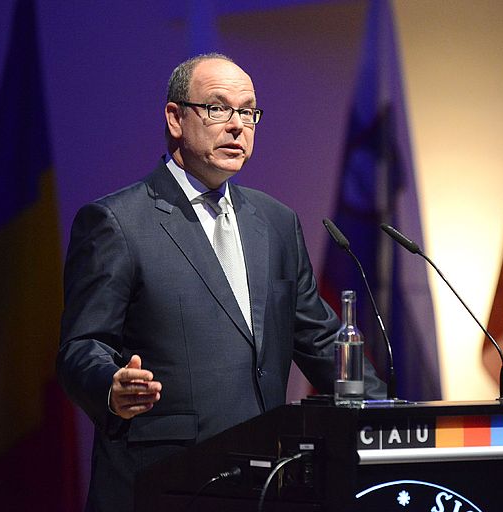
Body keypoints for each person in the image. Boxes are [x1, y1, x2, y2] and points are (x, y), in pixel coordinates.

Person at [56, 53, 386, 511]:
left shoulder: (275, 221)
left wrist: (392, 417)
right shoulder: (117, 222)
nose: (237, 125)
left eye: (248, 111)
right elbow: (81, 345)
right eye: (217, 108)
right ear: (176, 117)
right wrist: (111, 385)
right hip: (163, 485)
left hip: (263, 483)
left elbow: (322, 337)